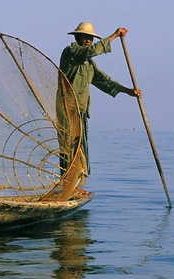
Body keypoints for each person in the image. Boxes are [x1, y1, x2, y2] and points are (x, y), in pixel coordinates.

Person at [59, 22, 141, 175]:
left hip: (81, 110)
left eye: (91, 38)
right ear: (77, 37)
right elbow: (90, 51)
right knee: (68, 147)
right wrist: (114, 36)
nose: (89, 40)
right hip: (67, 108)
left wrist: (128, 91)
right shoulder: (71, 52)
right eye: (85, 37)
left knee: (80, 148)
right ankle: (66, 184)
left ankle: (76, 184)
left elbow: (104, 81)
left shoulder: (89, 64)